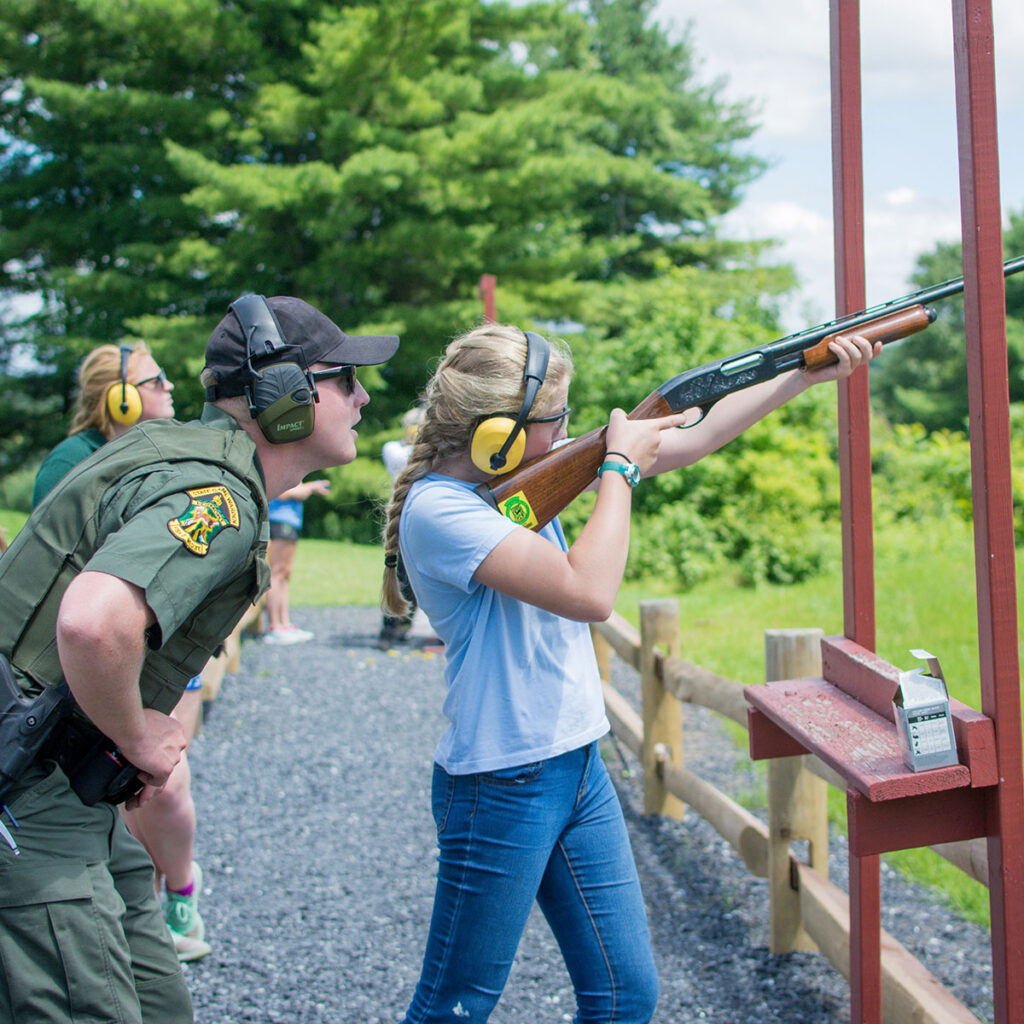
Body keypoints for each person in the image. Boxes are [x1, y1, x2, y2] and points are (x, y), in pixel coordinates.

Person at [380, 322, 879, 1023]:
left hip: (574, 763)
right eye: (556, 421)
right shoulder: (441, 510)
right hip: (501, 782)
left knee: (624, 997)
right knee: (455, 1006)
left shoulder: (512, 481)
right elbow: (589, 592)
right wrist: (616, 469)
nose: (568, 433)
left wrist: (801, 375)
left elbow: (692, 439)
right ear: (500, 435)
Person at [0, 294, 398, 1024]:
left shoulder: (189, 458)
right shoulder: (217, 496)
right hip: (27, 792)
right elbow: (92, 624)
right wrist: (137, 734)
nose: (364, 395)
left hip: (58, 780)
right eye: (345, 379)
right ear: (288, 397)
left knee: (156, 999)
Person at [29, 342, 212, 961]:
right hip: (93, 665)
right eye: (156, 382)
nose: (169, 391)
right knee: (147, 784)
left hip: (154, 649)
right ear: (122, 398)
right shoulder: (73, 465)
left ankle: (178, 895)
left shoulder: (165, 458)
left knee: (163, 785)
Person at [32, 341, 176, 506]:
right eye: (154, 381)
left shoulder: (156, 454)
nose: (168, 386)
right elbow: (44, 531)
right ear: (121, 396)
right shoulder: (69, 460)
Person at [378, 405, 426, 648]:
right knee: (402, 579)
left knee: (414, 579)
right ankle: (391, 629)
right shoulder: (394, 450)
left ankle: (402, 627)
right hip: (403, 519)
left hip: (416, 520)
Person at [264, 480, 330, 644]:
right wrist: (303, 490)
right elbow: (277, 489)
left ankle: (285, 624)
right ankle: (274, 626)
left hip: (290, 522)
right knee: (277, 572)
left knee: (285, 573)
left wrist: (308, 488)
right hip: (279, 520)